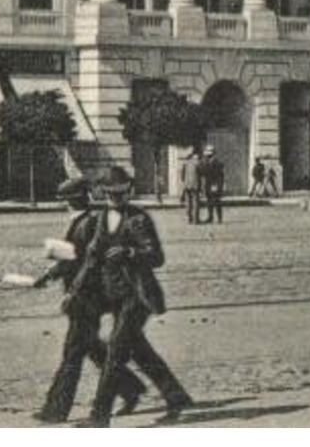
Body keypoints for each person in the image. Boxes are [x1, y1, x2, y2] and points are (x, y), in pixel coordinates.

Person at [74, 166, 192, 427]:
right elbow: (92, 259)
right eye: (111, 193)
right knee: (140, 351)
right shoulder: (102, 219)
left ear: (128, 191)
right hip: (114, 295)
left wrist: (130, 253)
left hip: (137, 296)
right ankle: (177, 397)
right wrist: (75, 291)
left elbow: (157, 257)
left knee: (116, 351)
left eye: (121, 193)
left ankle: (99, 417)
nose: (116, 198)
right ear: (102, 193)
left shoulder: (138, 219)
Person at [33, 177, 143, 424]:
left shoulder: (87, 224)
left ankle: (56, 410)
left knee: (73, 351)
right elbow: (69, 256)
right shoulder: (83, 222)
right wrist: (48, 276)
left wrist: (72, 292)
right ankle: (129, 387)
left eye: (65, 201)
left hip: (86, 297)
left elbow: (87, 263)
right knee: (90, 346)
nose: (64, 205)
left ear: (73, 200)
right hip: (83, 295)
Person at [200, 146, 225, 224]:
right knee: (209, 201)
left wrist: (218, 185)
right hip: (209, 184)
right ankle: (211, 217)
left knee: (217, 201)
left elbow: (220, 175)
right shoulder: (208, 162)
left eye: (208, 155)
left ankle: (219, 218)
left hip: (215, 184)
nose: (207, 156)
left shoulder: (217, 162)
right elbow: (203, 172)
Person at [179, 147, 201, 225]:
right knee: (196, 202)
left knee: (188, 202)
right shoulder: (197, 163)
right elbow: (201, 174)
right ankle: (196, 220)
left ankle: (189, 219)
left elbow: (182, 176)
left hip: (187, 185)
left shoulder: (185, 164)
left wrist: (185, 182)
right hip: (195, 185)